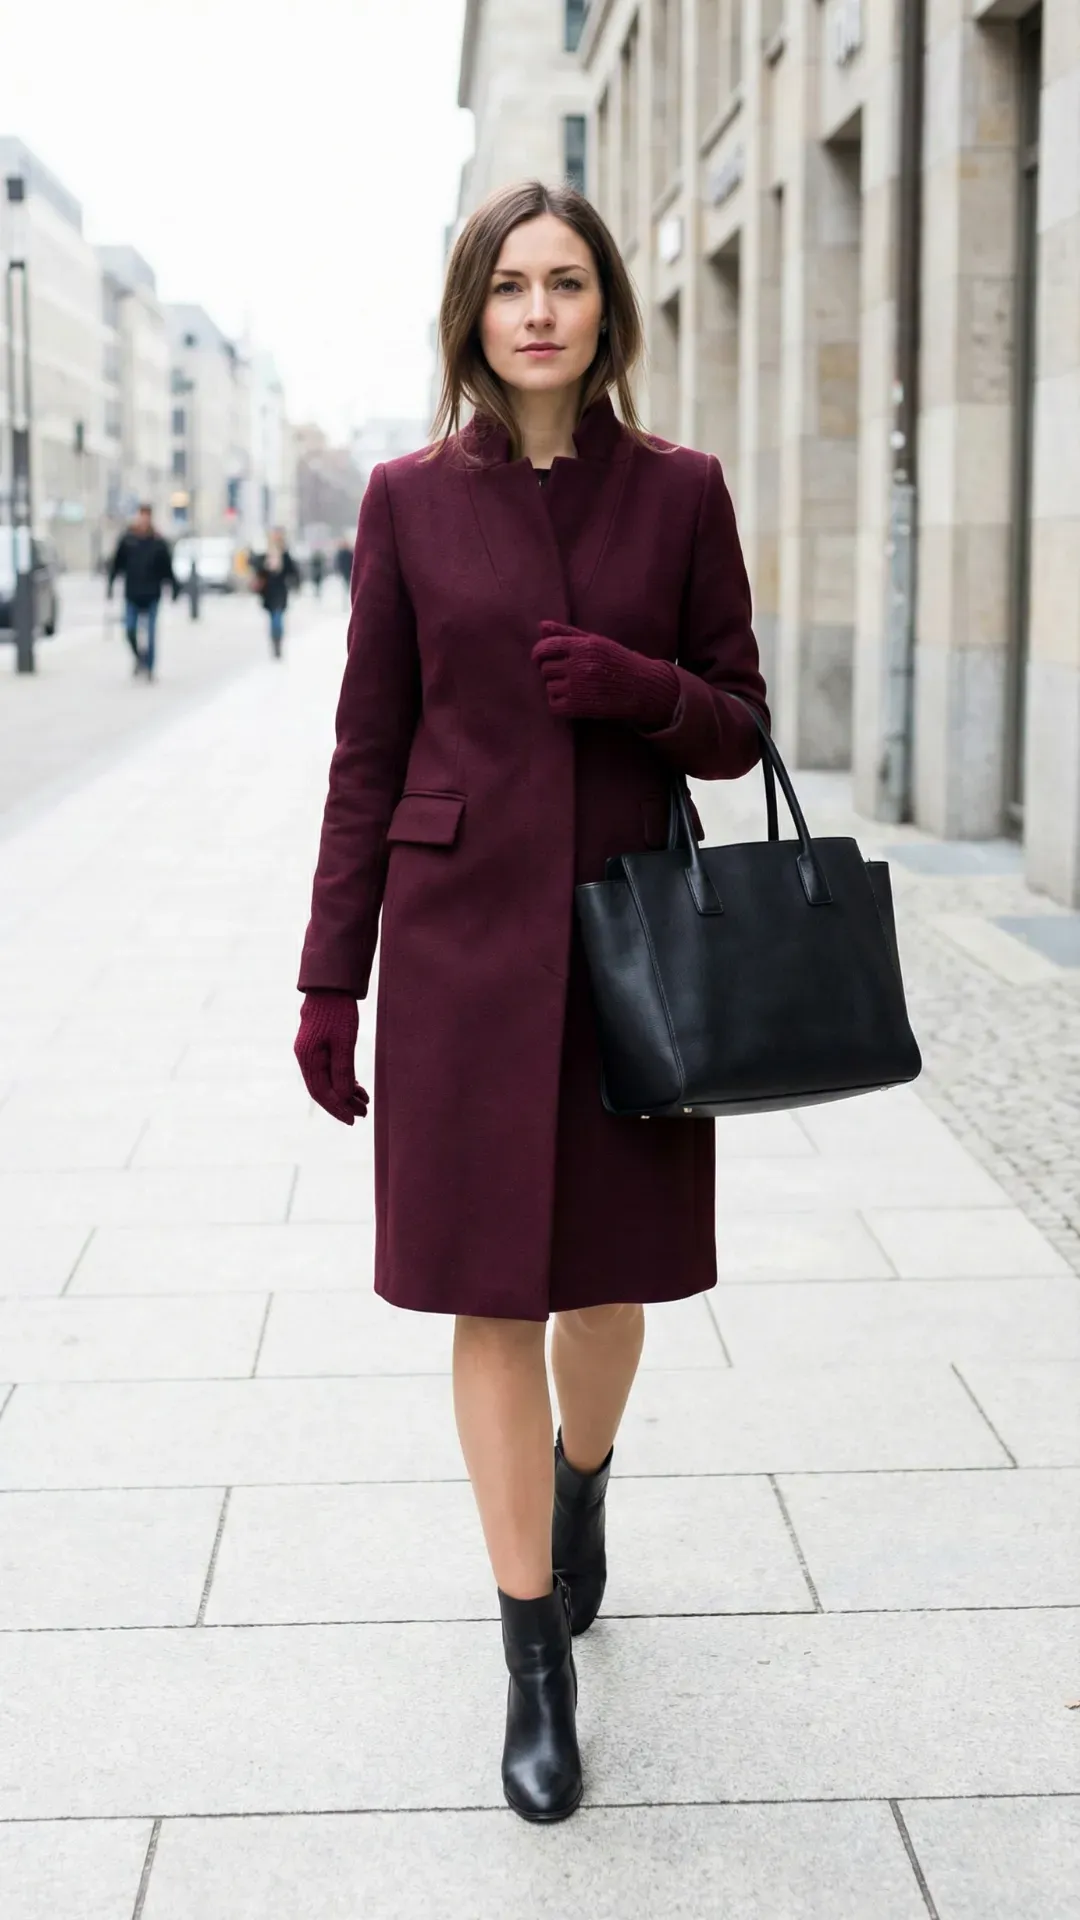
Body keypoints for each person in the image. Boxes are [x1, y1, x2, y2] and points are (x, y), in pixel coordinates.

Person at [293, 180, 769, 1823]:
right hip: (460, 954)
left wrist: (639, 689)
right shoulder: (409, 504)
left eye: (568, 283)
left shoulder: (685, 495)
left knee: (606, 1286)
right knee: (490, 1295)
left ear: (608, 309)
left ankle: (585, 1483)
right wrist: (323, 979)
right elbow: (367, 752)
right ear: (473, 315)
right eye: (512, 287)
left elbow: (738, 722)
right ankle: (534, 1665)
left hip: (630, 946)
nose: (541, 311)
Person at [106, 505, 176, 681]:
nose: (143, 520)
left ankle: (150, 668)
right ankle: (139, 657)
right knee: (129, 629)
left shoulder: (158, 542)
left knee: (151, 634)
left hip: (152, 594)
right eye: (141, 516)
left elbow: (167, 568)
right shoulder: (128, 540)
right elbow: (117, 565)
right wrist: (110, 585)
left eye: (147, 517)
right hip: (132, 594)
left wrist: (174, 587)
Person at [251, 529, 299, 658]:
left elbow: (293, 572)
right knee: (273, 617)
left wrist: (294, 582)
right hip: (268, 592)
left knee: (277, 618)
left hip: (280, 592)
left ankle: (277, 642)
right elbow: (257, 570)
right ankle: (274, 641)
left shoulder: (285, 555)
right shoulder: (264, 555)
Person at [333, 537, 352, 604]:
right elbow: (338, 562)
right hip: (345, 571)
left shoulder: (349, 553)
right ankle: (345, 600)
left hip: (349, 571)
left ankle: (347, 599)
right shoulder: (341, 553)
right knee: (345, 585)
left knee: (348, 585)